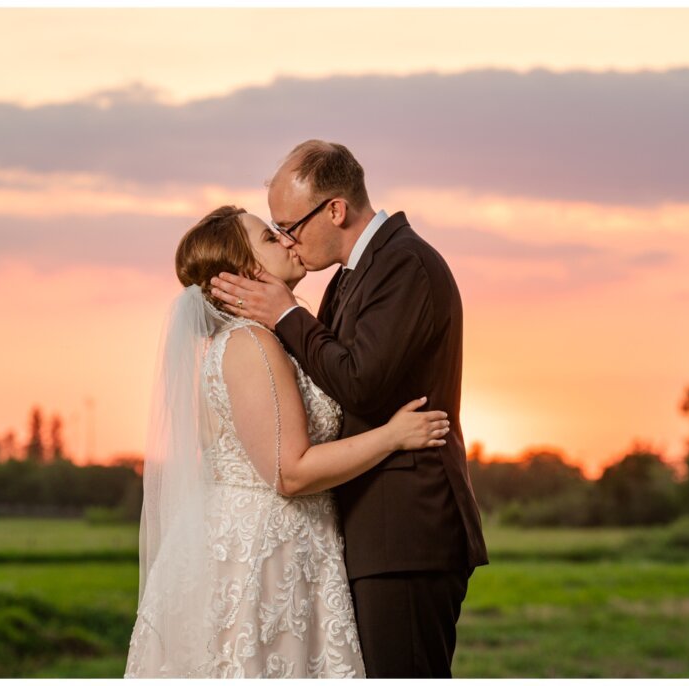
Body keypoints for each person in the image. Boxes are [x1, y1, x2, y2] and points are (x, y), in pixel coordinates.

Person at [124, 206, 450, 678]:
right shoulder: (252, 346)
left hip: (280, 541)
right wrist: (392, 437)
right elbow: (289, 472)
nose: (288, 240)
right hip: (265, 551)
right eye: (271, 238)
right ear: (247, 271)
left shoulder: (261, 341)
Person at [209, 140, 489, 677]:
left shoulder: (403, 264)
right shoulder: (353, 276)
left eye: (289, 224)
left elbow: (360, 383)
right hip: (374, 535)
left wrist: (288, 314)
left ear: (334, 209)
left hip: (405, 533)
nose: (287, 240)